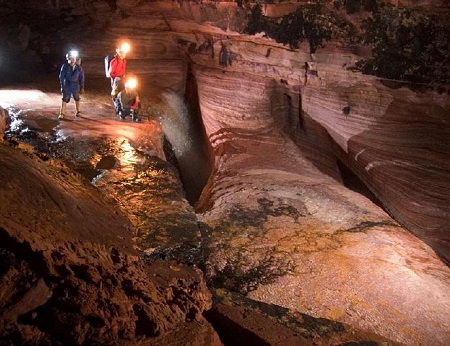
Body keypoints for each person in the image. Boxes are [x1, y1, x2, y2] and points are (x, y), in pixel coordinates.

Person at [58, 50, 85, 119]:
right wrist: (62, 86)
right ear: (68, 59)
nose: (73, 59)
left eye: (74, 58)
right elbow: (61, 77)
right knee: (65, 98)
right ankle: (62, 113)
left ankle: (78, 111)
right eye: (71, 58)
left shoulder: (78, 68)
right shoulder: (65, 67)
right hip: (67, 84)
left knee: (77, 98)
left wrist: (82, 87)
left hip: (75, 85)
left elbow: (81, 77)